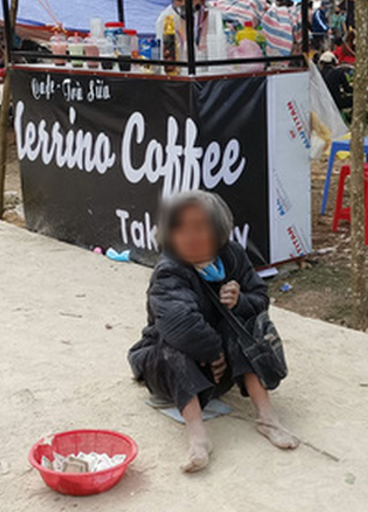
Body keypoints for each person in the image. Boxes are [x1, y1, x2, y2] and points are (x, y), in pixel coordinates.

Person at [128, 191, 299, 473]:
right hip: (170, 369)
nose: (191, 236)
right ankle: (198, 438)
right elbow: (179, 324)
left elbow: (260, 298)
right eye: (181, 228)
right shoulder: (169, 271)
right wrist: (213, 352)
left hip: (218, 372)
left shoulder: (232, 255)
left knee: (242, 326)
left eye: (201, 228)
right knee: (173, 345)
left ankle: (268, 419)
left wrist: (240, 301)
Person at [155, 0, 223, 60]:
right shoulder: (166, 19)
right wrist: (186, 34)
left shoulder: (213, 16)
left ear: (202, 0)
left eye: (190, 0)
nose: (184, 4)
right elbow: (168, 58)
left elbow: (217, 54)